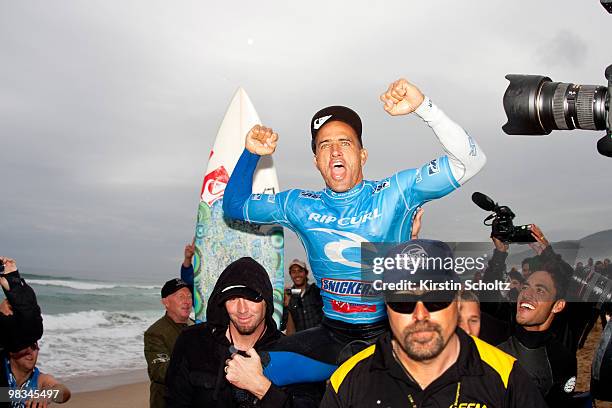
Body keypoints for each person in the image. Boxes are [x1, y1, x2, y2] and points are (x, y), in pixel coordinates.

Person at [223, 78, 487, 380]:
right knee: (244, 372)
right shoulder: (298, 205)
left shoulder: (396, 192)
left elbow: (472, 160)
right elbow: (234, 205)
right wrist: (250, 154)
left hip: (392, 336)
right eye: (325, 145)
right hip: (331, 337)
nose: (335, 151)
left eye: (345, 143)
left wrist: (424, 107)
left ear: (362, 155)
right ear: (317, 162)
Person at [320, 240, 547, 408]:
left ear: (457, 300)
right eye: (402, 300)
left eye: (435, 297)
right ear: (386, 306)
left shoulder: (506, 376)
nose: (420, 314)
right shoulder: (348, 379)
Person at [165, 257, 322, 407]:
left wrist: (261, 387)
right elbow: (174, 401)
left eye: (251, 298)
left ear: (266, 301)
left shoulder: (292, 355)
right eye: (232, 298)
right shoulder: (192, 341)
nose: (242, 310)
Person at [480, 227, 584, 406]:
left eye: (540, 290)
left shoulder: (561, 358)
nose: (527, 294)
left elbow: (573, 286)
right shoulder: (499, 332)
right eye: (526, 286)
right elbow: (487, 298)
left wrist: (547, 252)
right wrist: (500, 253)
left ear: (558, 305)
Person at [144, 278, 194, 408]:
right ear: (165, 302)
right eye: (181, 296)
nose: (187, 301)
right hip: (167, 401)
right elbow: (159, 371)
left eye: (189, 296)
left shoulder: (197, 327)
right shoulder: (156, 333)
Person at [1, 257, 44, 391]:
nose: (30, 352)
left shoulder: (38, 379)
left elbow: (62, 394)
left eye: (34, 346)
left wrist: (46, 395)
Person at [4, 341, 71, 407]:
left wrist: (47, 394)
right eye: (24, 346)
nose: (30, 352)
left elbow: (64, 392)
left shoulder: (40, 379)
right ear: (12, 351)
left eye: (33, 347)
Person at [282, 259, 323, 334]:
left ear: (306, 273)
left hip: (320, 338)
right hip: (301, 341)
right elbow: (284, 326)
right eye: (293, 272)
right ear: (290, 274)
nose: (297, 274)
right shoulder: (289, 296)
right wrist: (286, 304)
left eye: (300, 271)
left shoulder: (315, 291)